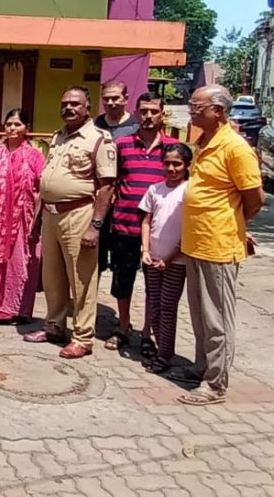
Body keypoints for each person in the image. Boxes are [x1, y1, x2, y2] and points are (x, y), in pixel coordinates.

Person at [174, 85, 264, 406]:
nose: (191, 111)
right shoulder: (205, 142)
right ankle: (201, 367)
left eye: (197, 107)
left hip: (219, 244)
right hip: (196, 243)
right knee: (199, 313)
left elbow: (255, 198)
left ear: (219, 111)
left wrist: (236, 224)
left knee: (217, 318)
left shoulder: (235, 147)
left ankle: (215, 384)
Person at [23, 86, 116, 359]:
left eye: (75, 104)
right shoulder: (59, 137)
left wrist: (95, 226)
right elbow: (47, 181)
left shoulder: (99, 139)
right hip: (51, 215)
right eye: (65, 103)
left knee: (82, 280)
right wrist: (38, 219)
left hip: (79, 214)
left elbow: (107, 187)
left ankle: (83, 338)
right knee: (52, 276)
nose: (69, 108)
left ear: (88, 107)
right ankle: (54, 326)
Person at [104, 92, 179, 352]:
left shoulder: (172, 148)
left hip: (159, 230)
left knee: (153, 284)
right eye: (144, 111)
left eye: (153, 111)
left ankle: (148, 333)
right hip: (124, 224)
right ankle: (123, 327)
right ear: (136, 113)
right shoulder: (122, 145)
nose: (148, 116)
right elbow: (112, 182)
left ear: (162, 114)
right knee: (122, 280)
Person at [0, 109, 45, 323]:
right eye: (9, 124)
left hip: (22, 218)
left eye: (17, 124)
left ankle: (18, 310)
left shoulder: (35, 156)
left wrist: (37, 219)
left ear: (27, 128)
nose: (12, 128)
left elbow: (42, 188)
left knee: (19, 263)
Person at [138, 143, 192, 374]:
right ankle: (161, 347)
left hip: (176, 261)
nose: (171, 168)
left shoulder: (190, 191)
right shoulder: (155, 189)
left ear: (187, 165)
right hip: (153, 259)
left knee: (168, 307)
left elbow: (190, 229)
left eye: (177, 164)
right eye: (167, 163)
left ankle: (164, 354)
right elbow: (146, 221)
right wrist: (145, 250)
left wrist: (170, 258)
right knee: (154, 305)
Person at [93, 80, 140, 275]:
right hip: (100, 196)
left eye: (116, 98)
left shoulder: (136, 126)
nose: (111, 103)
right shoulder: (95, 125)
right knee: (96, 251)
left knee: (124, 258)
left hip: (126, 198)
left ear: (126, 99)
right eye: (107, 99)